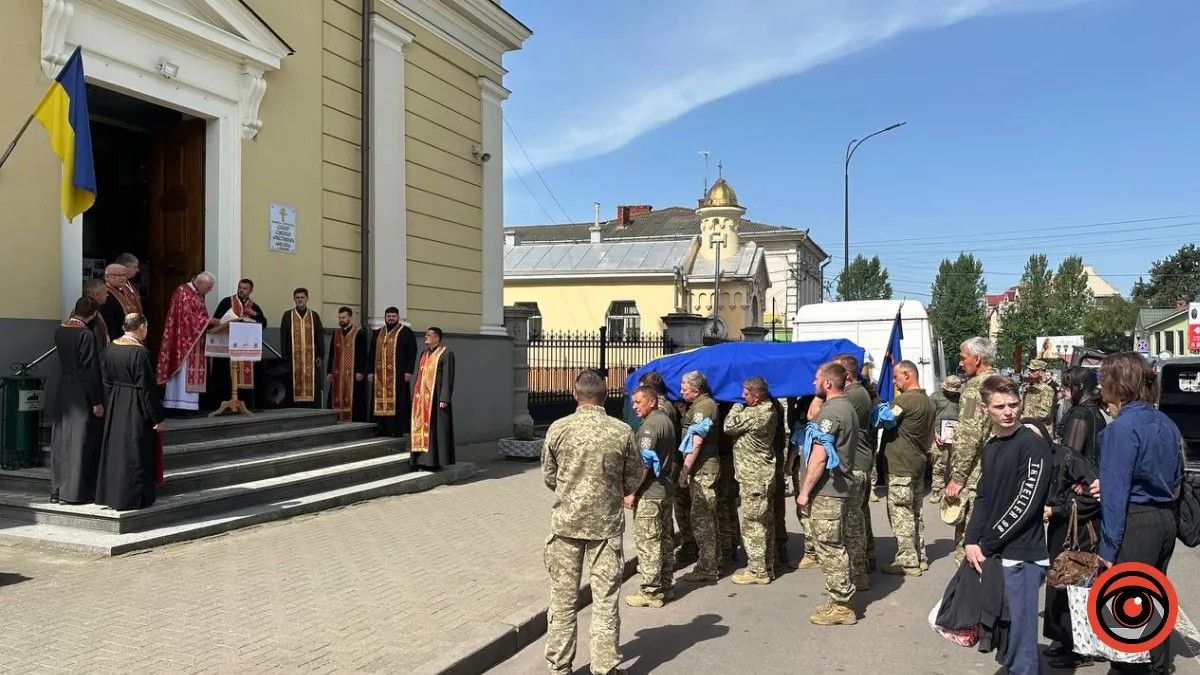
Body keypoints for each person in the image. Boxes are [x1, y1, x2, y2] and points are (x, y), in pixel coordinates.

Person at [541, 369, 641, 675]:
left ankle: (559, 666)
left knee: (562, 600)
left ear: (574, 395)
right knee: (605, 600)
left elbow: (548, 476)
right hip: (605, 529)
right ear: (606, 395)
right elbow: (634, 478)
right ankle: (604, 667)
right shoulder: (621, 431)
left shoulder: (558, 429)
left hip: (566, 526)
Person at [1093, 353, 1183, 675]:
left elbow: (1115, 496)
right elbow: (1177, 481)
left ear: (1119, 383)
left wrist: (1107, 548)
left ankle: (1130, 669)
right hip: (1164, 521)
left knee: (1127, 610)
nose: (1100, 386)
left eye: (1103, 379)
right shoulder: (1167, 423)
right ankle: (1156, 668)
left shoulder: (1122, 429)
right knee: (1154, 601)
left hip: (1136, 522)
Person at [964, 375, 1051, 675]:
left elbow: (1026, 505)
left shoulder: (1032, 445)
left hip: (1024, 554)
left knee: (1022, 632)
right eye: (999, 406)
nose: (1008, 412)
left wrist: (986, 544)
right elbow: (984, 497)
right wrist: (971, 540)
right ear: (986, 408)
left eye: (1013, 405)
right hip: (996, 552)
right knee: (1004, 628)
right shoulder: (991, 447)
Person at [1041, 369, 1103, 669]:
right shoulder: (1095, 412)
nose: (1065, 392)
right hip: (1083, 502)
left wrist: (1057, 503)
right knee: (1072, 576)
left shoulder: (1081, 414)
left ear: (1078, 388)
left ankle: (1077, 646)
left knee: (1072, 576)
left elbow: (1069, 458)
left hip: (1077, 509)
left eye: (1068, 387)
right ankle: (1068, 640)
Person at [796, 362, 859, 625]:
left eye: (816, 379)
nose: (813, 383)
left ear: (828, 383)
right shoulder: (845, 407)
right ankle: (839, 598)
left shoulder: (831, 413)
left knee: (830, 547)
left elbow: (820, 457)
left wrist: (803, 492)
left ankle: (842, 606)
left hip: (828, 490)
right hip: (837, 489)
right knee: (835, 544)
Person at [96, 313, 165, 511]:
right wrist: (157, 417)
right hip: (135, 406)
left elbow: (106, 381)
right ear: (141, 327)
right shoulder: (140, 353)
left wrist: (110, 405)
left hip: (116, 403)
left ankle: (111, 494)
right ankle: (134, 496)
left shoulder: (110, 349)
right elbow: (147, 388)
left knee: (116, 450)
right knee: (135, 451)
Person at [880, 361, 935, 577]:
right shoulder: (927, 401)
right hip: (917, 464)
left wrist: (878, 410)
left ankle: (906, 560)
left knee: (901, 512)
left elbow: (886, 420)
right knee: (915, 513)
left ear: (907, 374)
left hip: (901, 466)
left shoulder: (906, 400)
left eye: (896, 377)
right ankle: (920, 556)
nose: (894, 381)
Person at [625, 385, 677, 608]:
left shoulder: (649, 428)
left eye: (638, 402)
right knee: (665, 539)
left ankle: (650, 592)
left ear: (652, 401)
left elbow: (644, 463)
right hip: (664, 489)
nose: (635, 407)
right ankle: (665, 586)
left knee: (649, 543)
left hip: (650, 493)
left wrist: (632, 491)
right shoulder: (665, 420)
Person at [946, 336, 997, 564]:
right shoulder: (1003, 382)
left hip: (976, 476)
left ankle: (966, 593)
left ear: (977, 360)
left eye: (963, 357)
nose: (960, 363)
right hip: (1000, 471)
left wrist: (957, 478)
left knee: (968, 543)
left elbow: (969, 437)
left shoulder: (976, 387)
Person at [723, 376, 779, 585]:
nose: (742, 396)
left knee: (753, 524)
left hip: (755, 477)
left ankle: (757, 571)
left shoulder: (756, 412)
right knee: (764, 522)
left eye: (745, 393)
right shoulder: (768, 408)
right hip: (762, 474)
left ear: (756, 396)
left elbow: (728, 426)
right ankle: (767, 566)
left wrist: (737, 407)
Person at [49, 297, 104, 504]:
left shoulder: (60, 331)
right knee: (80, 440)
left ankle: (57, 490)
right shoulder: (86, 335)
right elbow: (89, 371)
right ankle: (73, 493)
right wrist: (97, 401)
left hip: (64, 387)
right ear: (94, 314)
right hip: (81, 391)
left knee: (61, 439)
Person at [833, 353, 874, 588]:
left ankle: (858, 572)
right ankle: (867, 559)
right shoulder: (860, 392)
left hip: (855, 464)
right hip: (860, 462)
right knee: (859, 515)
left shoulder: (852, 395)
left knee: (852, 521)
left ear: (846, 375)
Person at [676, 370, 722, 583]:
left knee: (702, 519)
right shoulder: (700, 405)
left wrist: (685, 471)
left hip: (703, 469)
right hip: (702, 468)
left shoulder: (703, 408)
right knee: (706, 517)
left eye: (684, 389)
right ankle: (713, 561)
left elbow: (696, 442)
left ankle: (707, 567)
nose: (680, 392)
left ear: (695, 390)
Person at [156, 272, 219, 414]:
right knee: (182, 371)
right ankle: (177, 405)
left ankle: (190, 405)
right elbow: (186, 317)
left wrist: (208, 322)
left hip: (195, 340)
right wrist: (209, 321)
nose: (209, 291)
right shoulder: (183, 291)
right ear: (201, 283)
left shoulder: (197, 294)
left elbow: (198, 315)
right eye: (209, 287)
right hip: (182, 341)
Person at [210, 279, 268, 407]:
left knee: (246, 373)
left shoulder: (254, 306)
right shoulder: (227, 302)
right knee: (224, 376)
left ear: (250, 290)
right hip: (227, 347)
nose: (241, 290)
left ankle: (244, 403)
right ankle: (222, 403)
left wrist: (255, 315)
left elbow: (263, 324)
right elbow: (217, 320)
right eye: (240, 287)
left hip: (245, 349)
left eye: (245, 288)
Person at [367, 307, 418, 437]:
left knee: (398, 401)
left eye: (393, 316)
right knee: (379, 401)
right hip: (380, 376)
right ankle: (379, 427)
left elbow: (412, 352)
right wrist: (370, 371)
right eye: (388, 316)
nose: (390, 318)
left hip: (398, 375)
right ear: (385, 317)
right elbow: (371, 353)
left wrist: (409, 371)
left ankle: (396, 429)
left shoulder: (406, 332)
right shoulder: (377, 333)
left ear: (398, 317)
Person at [411, 327, 455, 470]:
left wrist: (445, 398)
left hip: (436, 399)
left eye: (428, 335)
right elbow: (419, 375)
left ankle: (434, 462)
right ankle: (420, 460)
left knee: (435, 429)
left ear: (437, 337)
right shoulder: (424, 353)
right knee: (420, 427)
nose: (425, 337)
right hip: (421, 399)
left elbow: (448, 377)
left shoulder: (446, 353)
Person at [279, 287, 323, 407]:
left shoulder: (314, 316)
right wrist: (285, 357)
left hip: (311, 359)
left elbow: (319, 336)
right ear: (294, 299)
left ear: (307, 299)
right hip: (293, 359)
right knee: (293, 385)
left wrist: (320, 355)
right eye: (297, 297)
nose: (300, 300)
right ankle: (295, 408)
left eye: (302, 297)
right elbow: (284, 337)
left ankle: (312, 408)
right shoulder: (288, 315)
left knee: (312, 385)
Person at [326, 307, 368, 422]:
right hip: (337, 373)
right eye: (339, 317)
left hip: (353, 373)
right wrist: (329, 371)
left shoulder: (359, 333)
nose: (341, 320)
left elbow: (362, 354)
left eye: (343, 317)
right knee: (336, 395)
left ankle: (355, 421)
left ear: (350, 317)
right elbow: (332, 354)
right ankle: (336, 419)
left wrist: (360, 371)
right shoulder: (336, 334)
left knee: (355, 397)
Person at [927, 374, 962, 503]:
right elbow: (928, 417)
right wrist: (934, 434)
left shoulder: (960, 398)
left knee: (955, 465)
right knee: (939, 465)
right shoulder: (935, 397)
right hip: (939, 438)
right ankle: (936, 491)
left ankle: (952, 492)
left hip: (955, 438)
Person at [100, 264, 134, 340]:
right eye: (118, 275)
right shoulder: (105, 293)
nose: (122, 278)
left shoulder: (124, 291)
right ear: (107, 277)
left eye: (124, 275)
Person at [1022, 359, 1055, 430]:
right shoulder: (1027, 387)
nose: (1029, 373)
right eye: (1029, 370)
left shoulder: (1046, 390)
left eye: (1033, 371)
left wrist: (1025, 418)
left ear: (1041, 372)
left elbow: (1045, 413)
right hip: (1026, 426)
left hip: (1040, 429)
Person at [82, 279, 111, 353]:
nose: (107, 295)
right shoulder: (85, 311)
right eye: (105, 292)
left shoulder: (96, 310)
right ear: (96, 294)